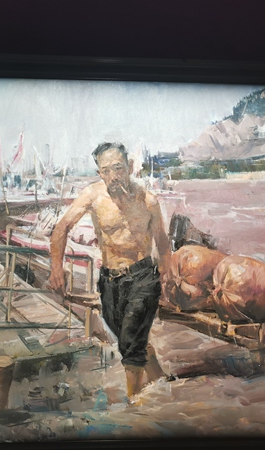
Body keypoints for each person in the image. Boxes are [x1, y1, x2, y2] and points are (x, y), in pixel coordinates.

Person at [47, 142, 171, 400]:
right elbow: (62, 228)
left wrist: (167, 279)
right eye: (106, 170)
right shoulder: (93, 196)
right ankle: (160, 378)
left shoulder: (148, 201)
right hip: (109, 280)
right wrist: (56, 269)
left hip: (143, 277)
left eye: (118, 168)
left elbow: (162, 243)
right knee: (126, 335)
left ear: (130, 167)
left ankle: (134, 404)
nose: (113, 176)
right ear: (100, 173)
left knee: (130, 342)